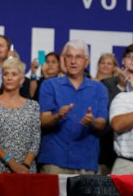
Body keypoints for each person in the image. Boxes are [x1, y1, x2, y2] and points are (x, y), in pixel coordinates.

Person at [37, 40, 108, 174]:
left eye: (78, 57)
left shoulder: (99, 89)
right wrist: (57, 116)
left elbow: (102, 123)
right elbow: (43, 121)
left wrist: (92, 121)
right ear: (64, 60)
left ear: (87, 62)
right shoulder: (49, 85)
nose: (73, 61)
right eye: (69, 57)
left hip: (86, 161)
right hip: (55, 160)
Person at [0, 57, 40, 173]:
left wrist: (25, 166)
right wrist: (12, 164)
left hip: (26, 171)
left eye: (14, 74)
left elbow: (36, 140)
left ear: (22, 80)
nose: (9, 77)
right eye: (6, 74)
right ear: (2, 78)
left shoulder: (33, 106)